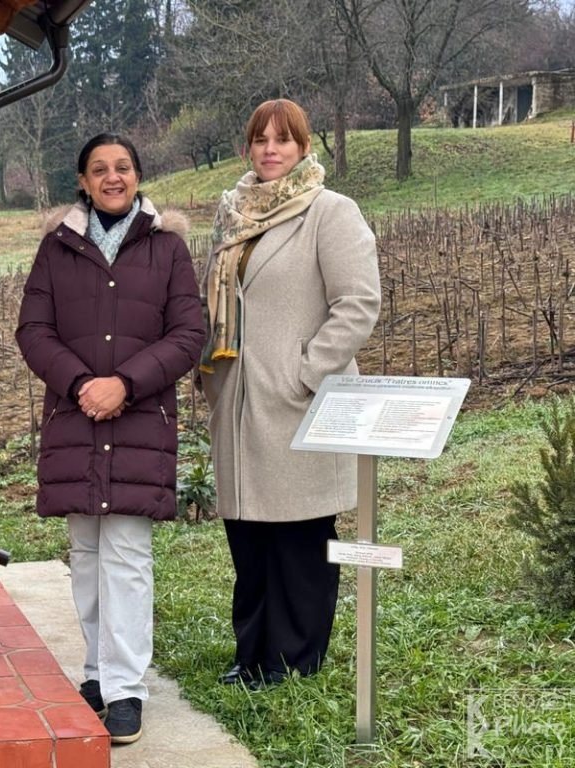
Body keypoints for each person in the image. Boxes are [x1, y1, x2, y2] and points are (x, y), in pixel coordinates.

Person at [15, 133, 205, 744]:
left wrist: (124, 383)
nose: (112, 177)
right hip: (76, 419)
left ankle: (126, 688)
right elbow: (33, 329)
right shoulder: (57, 249)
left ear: (138, 175)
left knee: (126, 556)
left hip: (139, 420)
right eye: (99, 169)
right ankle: (96, 672)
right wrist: (80, 386)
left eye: (122, 167)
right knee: (88, 556)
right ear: (83, 181)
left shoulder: (167, 248)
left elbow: (187, 332)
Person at [199, 99, 381, 690]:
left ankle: (295, 658)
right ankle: (251, 652)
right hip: (238, 404)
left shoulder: (330, 212)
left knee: (299, 537)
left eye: (283, 139)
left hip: (299, 402)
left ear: (304, 147)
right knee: (248, 536)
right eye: (260, 139)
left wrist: (307, 371)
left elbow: (358, 304)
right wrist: (212, 377)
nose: (270, 149)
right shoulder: (233, 218)